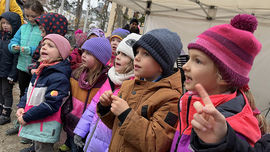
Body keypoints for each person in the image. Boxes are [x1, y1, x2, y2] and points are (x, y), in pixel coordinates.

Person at [170, 14, 266, 152]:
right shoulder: (190, 102)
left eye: (197, 61)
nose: (185, 66)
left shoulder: (228, 129)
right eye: (189, 58)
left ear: (224, 78)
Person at [97, 28, 183, 151]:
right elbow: (115, 125)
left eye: (146, 54)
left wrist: (125, 114)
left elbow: (157, 143)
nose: (136, 57)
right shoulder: (128, 85)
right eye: (137, 52)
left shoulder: (171, 98)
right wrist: (106, 108)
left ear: (162, 64)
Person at [73, 33, 141, 152]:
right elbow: (93, 107)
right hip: (93, 141)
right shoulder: (110, 79)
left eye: (124, 54)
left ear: (134, 61)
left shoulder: (134, 87)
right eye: (118, 53)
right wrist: (81, 131)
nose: (118, 57)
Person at [16, 34, 72, 152]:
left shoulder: (59, 77)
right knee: (37, 144)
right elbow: (29, 90)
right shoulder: (41, 70)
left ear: (61, 54)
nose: (44, 47)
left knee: (43, 148)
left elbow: (50, 105)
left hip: (46, 126)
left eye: (50, 45)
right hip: (35, 120)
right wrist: (21, 106)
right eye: (43, 45)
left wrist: (27, 117)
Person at [62, 37, 112, 152]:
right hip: (74, 123)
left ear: (100, 59)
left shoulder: (105, 81)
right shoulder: (75, 74)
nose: (83, 55)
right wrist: (67, 114)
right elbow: (68, 99)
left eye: (88, 53)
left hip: (90, 127)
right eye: (83, 51)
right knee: (75, 149)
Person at [8, 0, 44, 99]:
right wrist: (13, 47)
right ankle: (21, 112)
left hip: (37, 68)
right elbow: (14, 40)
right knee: (23, 93)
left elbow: (44, 47)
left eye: (33, 16)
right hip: (22, 67)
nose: (30, 19)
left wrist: (31, 50)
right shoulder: (23, 28)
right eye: (27, 16)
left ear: (41, 14)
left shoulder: (42, 28)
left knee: (34, 95)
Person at [0, 12, 21, 125]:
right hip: (1, 69)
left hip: (8, 71)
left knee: (6, 92)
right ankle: (1, 109)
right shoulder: (1, 37)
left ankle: (6, 113)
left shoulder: (14, 40)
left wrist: (13, 74)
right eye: (3, 23)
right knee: (0, 92)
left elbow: (16, 59)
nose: (5, 25)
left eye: (8, 23)